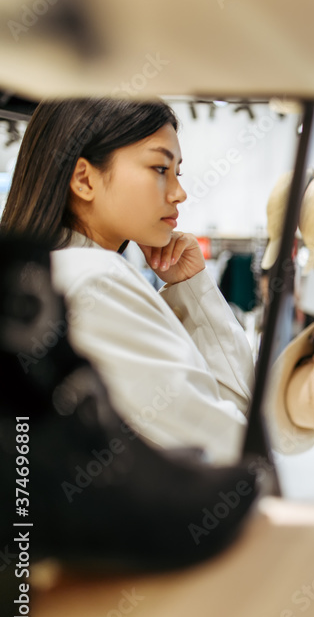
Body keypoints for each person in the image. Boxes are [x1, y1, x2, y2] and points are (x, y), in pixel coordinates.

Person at [0, 98, 254, 465]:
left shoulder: (41, 281)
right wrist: (196, 291)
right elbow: (236, 447)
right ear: (84, 179)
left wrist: (190, 285)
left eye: (177, 172)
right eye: (159, 167)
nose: (178, 192)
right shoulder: (94, 281)